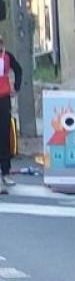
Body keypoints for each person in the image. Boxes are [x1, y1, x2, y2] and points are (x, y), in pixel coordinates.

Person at [0, 32, 21, 192]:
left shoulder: (7, 56)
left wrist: (16, 87)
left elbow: (18, 69)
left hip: (3, 98)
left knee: (4, 136)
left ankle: (6, 173)